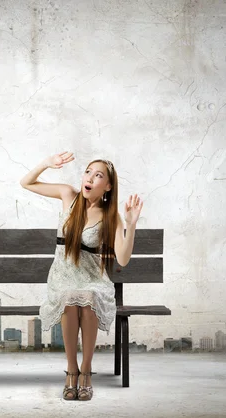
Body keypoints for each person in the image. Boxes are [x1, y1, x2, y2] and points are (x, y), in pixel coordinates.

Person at [20, 151, 143, 401]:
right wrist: (46, 163)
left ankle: (86, 371)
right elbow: (26, 183)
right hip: (63, 276)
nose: (90, 177)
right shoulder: (68, 196)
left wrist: (131, 225)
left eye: (98, 176)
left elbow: (123, 259)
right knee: (70, 296)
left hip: (91, 279)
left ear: (107, 186)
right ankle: (71, 371)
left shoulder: (110, 217)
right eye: (88, 172)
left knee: (86, 297)